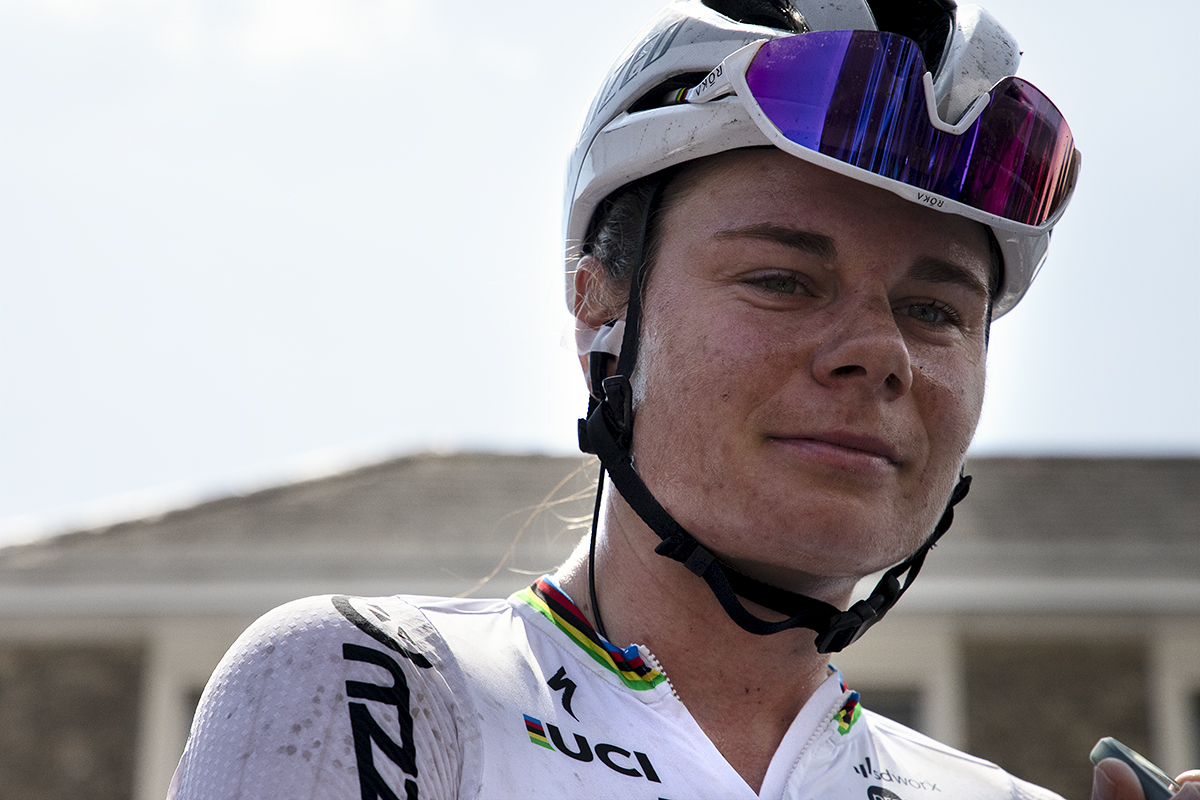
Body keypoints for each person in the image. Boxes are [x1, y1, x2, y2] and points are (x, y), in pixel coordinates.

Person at [168, 1, 1200, 798]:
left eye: (934, 309)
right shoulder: (376, 690)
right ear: (601, 305)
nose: (879, 352)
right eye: (784, 279)